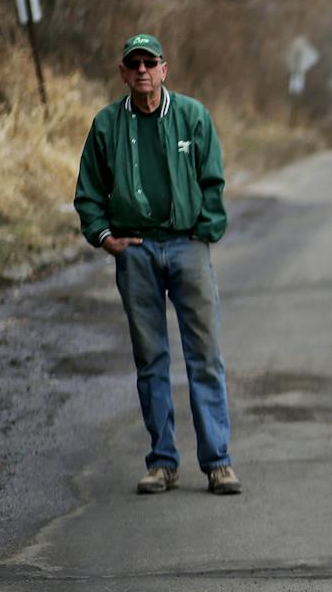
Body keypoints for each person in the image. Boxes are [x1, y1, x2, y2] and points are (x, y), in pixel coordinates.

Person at [74, 33, 241, 495]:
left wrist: (203, 231)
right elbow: (88, 192)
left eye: (151, 62)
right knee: (151, 360)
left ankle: (218, 463)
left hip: (188, 248)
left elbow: (213, 179)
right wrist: (106, 238)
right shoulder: (107, 125)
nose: (143, 70)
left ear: (164, 69)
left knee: (204, 357)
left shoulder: (192, 116)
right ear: (124, 73)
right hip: (137, 253)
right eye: (135, 64)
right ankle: (162, 462)